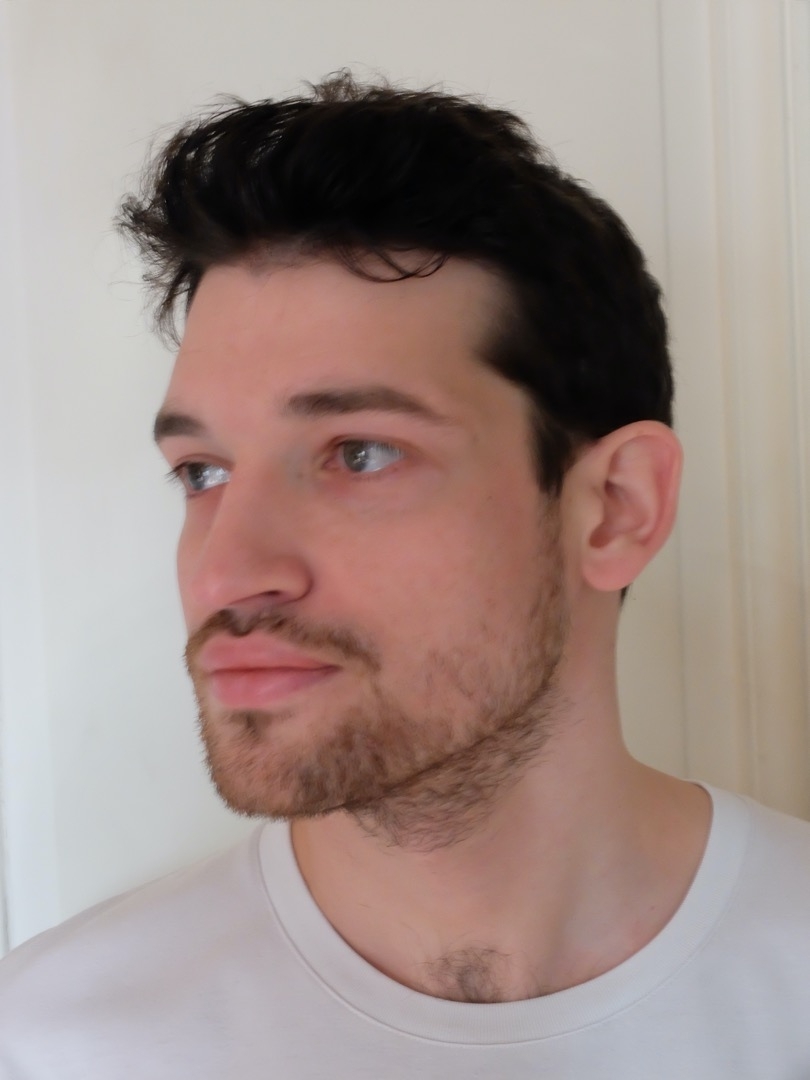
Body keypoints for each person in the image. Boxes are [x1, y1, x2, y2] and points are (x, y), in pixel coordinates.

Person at [1, 72, 809, 1079]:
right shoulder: (54, 1043)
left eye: (360, 453)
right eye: (202, 472)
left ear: (615, 508)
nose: (227, 574)